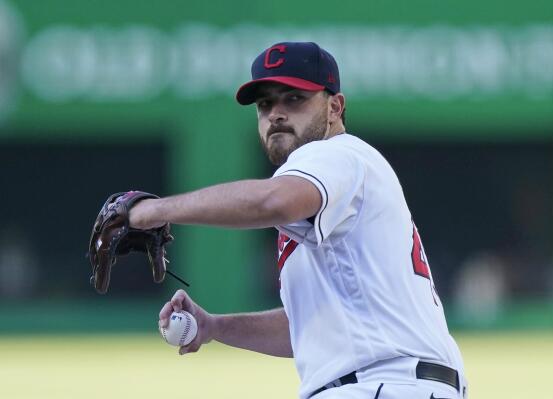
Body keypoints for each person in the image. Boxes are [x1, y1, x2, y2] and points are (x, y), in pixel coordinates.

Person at [129, 42, 467, 399]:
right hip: (395, 384)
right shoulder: (337, 188)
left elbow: (272, 202)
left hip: (381, 384)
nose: (276, 113)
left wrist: (152, 211)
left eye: (294, 99)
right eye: (265, 104)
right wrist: (214, 327)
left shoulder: (335, 154)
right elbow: (308, 327)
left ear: (335, 107)